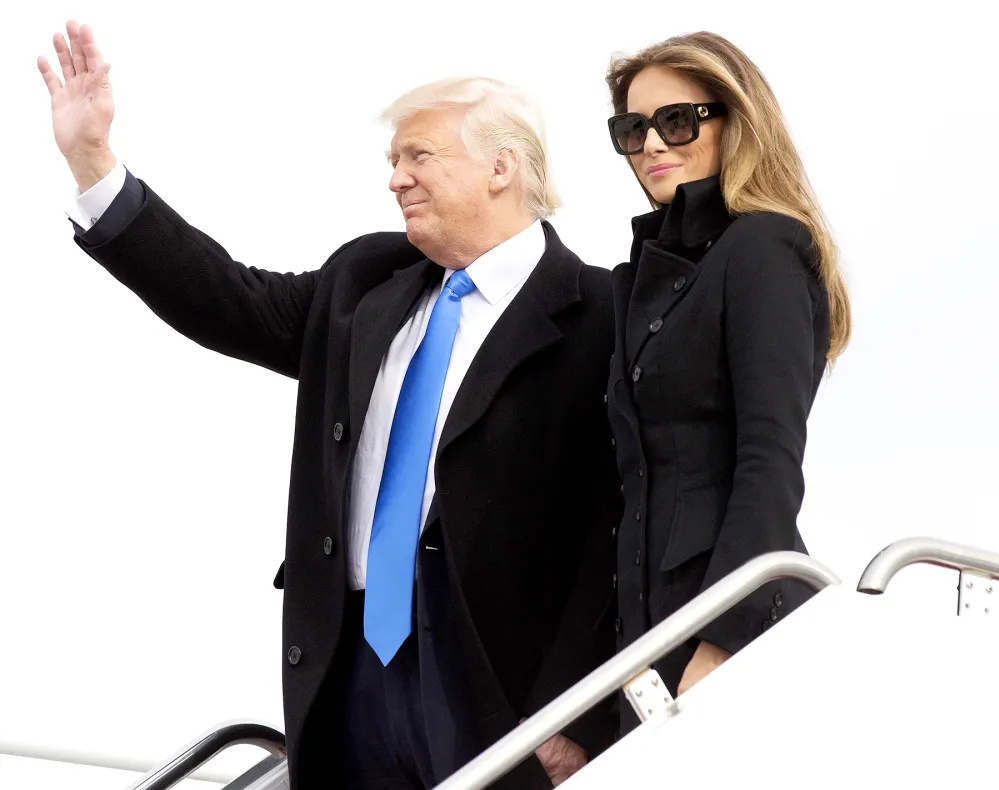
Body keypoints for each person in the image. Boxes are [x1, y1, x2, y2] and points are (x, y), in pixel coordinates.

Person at [36, 20, 621, 789]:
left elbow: (611, 530)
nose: (396, 179)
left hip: (496, 681)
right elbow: (225, 299)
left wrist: (573, 711)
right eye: (393, 161)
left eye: (419, 156)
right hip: (347, 668)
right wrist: (93, 162)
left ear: (501, 167)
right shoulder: (365, 283)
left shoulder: (602, 314)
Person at [603, 31, 851, 731]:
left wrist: (722, 640)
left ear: (733, 121)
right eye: (632, 128)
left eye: (676, 120)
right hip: (644, 640)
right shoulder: (641, 280)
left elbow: (769, 460)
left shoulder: (764, 247)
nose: (652, 144)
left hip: (729, 630)